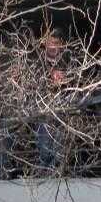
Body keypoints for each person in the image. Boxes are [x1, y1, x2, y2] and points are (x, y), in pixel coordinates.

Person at [36, 27, 69, 172]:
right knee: (44, 151)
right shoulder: (37, 63)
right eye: (50, 43)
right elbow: (32, 87)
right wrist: (49, 81)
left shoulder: (69, 61)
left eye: (56, 43)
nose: (53, 47)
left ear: (62, 45)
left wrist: (66, 81)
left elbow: (80, 85)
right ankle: (45, 174)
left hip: (64, 114)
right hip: (43, 114)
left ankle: (59, 173)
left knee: (61, 153)